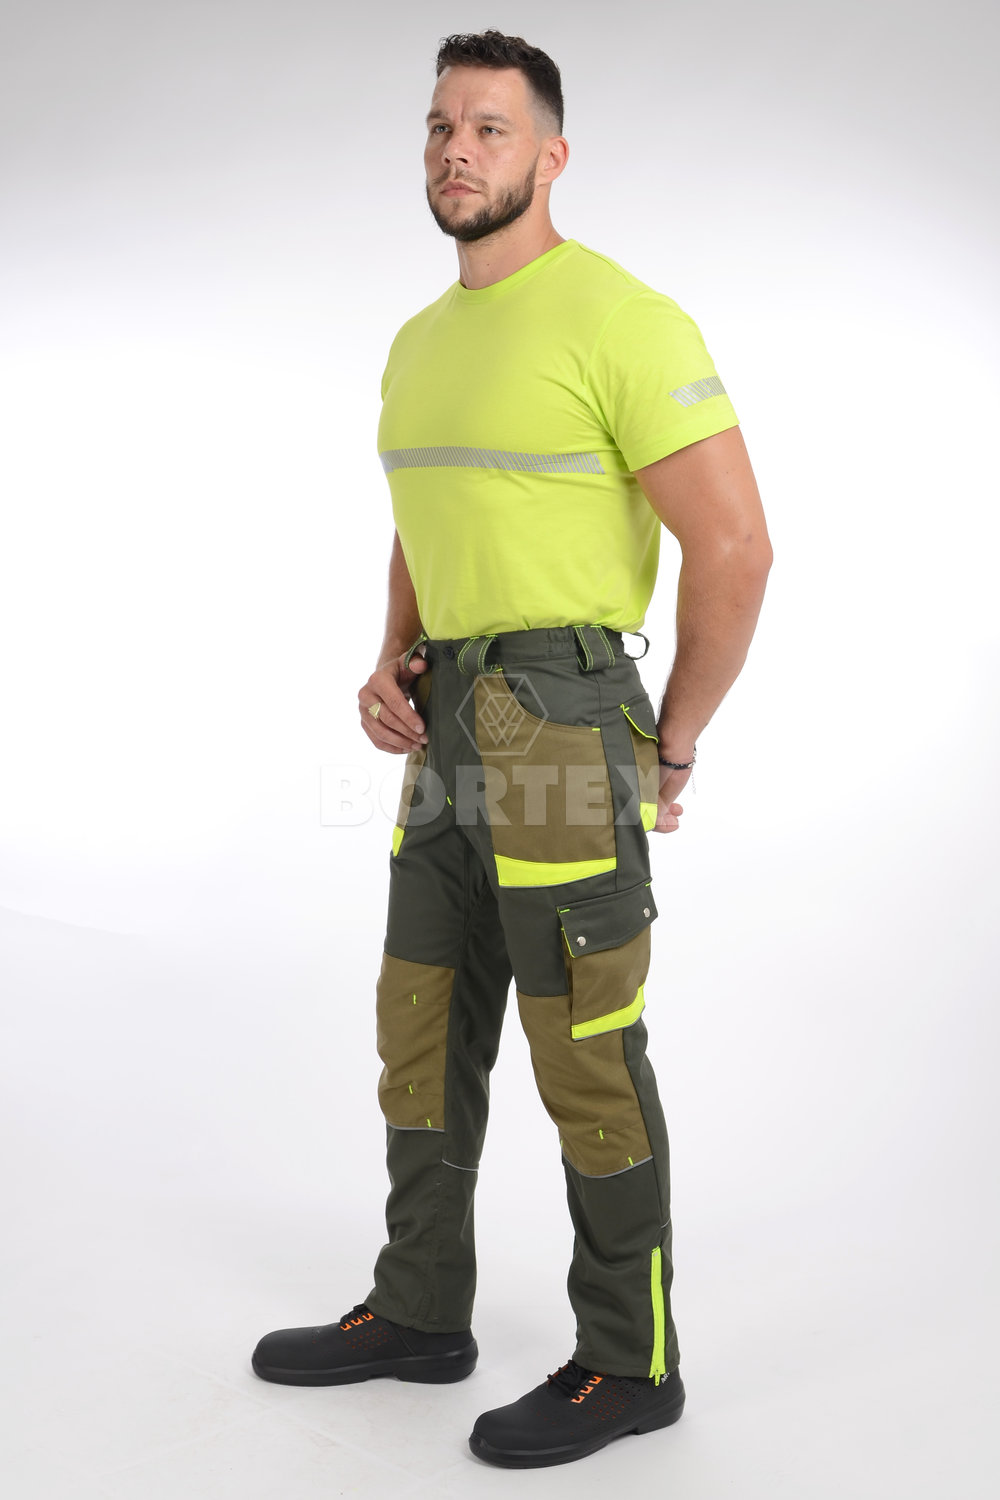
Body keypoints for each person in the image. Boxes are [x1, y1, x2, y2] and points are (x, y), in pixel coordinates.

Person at [252, 29, 772, 1470]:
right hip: (451, 715)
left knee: (581, 1041)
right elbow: (428, 522)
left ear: (552, 153)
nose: (456, 150)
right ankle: (421, 1308)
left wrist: (671, 741)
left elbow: (736, 545)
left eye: (489, 128)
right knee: (419, 1017)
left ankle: (630, 1361)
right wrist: (390, 655)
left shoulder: (621, 317)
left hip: (558, 710)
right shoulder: (419, 343)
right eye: (439, 126)